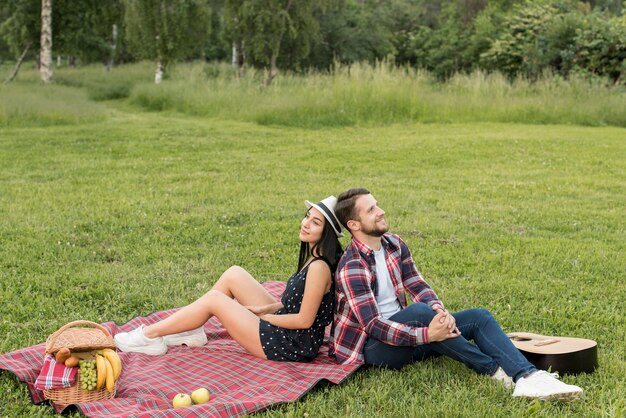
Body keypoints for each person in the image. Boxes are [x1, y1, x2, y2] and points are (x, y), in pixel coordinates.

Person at [330, 188, 584, 400]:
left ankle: (529, 377)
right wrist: (428, 332)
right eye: (371, 210)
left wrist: (439, 311)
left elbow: (416, 284)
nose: (381, 211)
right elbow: (374, 326)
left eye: (377, 205)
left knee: (479, 317)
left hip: (411, 333)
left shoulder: (393, 243)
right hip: (374, 349)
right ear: (354, 224)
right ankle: (499, 373)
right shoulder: (352, 265)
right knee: (421, 313)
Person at [115, 196, 344, 362]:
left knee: (215, 299)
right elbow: (294, 303)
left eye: (316, 222)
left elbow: (304, 320)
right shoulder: (315, 257)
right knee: (234, 273)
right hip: (289, 327)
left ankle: (149, 335)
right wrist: (264, 308)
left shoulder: (319, 268)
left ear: (328, 234)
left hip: (292, 344)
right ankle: (191, 330)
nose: (305, 223)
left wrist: (264, 317)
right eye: (307, 216)